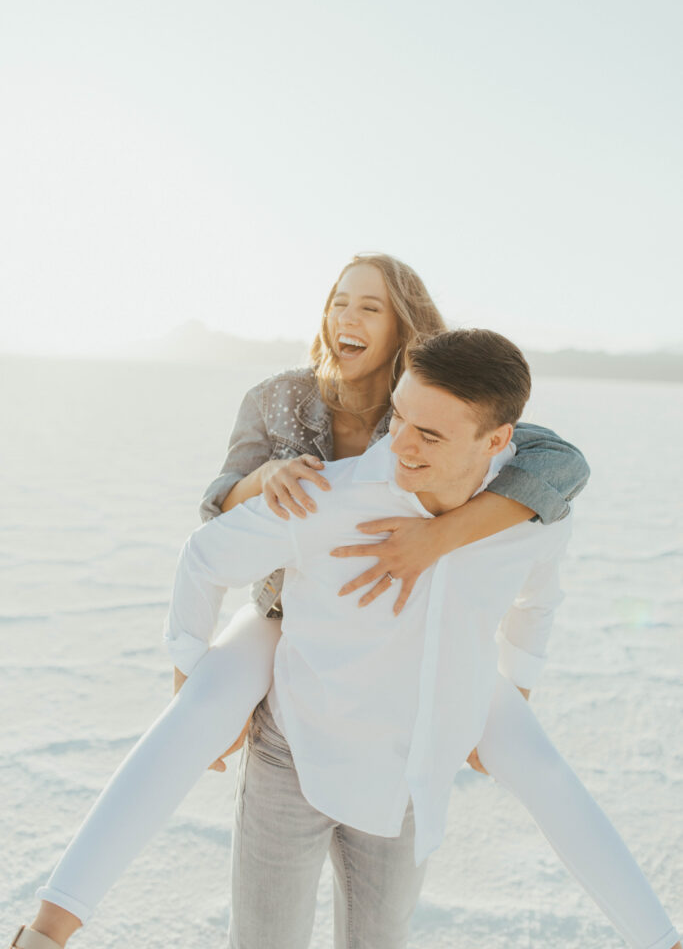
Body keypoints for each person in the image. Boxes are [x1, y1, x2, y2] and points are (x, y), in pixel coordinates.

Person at [11, 255, 590, 949]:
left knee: (528, 762)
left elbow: (559, 465)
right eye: (338, 302)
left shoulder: (427, 400)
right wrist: (264, 476)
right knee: (196, 710)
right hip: (277, 608)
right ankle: (48, 930)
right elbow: (215, 504)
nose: (345, 317)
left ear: (402, 323)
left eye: (368, 307)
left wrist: (438, 539)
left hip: (370, 626)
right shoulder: (277, 395)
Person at [166, 329, 680, 949]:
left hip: (408, 775)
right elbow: (203, 557)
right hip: (292, 759)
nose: (399, 445)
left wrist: (515, 689)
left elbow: (536, 600)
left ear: (496, 442)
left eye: (429, 435)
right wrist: (191, 676)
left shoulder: (530, 525)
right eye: (400, 418)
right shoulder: (329, 496)